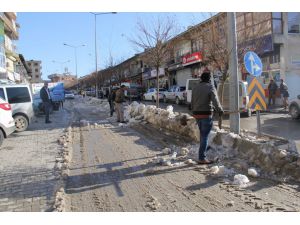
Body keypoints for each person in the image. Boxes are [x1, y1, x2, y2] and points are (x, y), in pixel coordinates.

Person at [191, 71, 223, 164]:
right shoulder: (210, 87)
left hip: (197, 114)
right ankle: (202, 158)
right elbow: (215, 100)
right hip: (206, 113)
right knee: (204, 136)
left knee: (202, 134)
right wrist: (219, 110)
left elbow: (192, 102)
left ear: (201, 78)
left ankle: (203, 149)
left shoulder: (195, 87)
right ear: (209, 79)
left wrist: (194, 111)